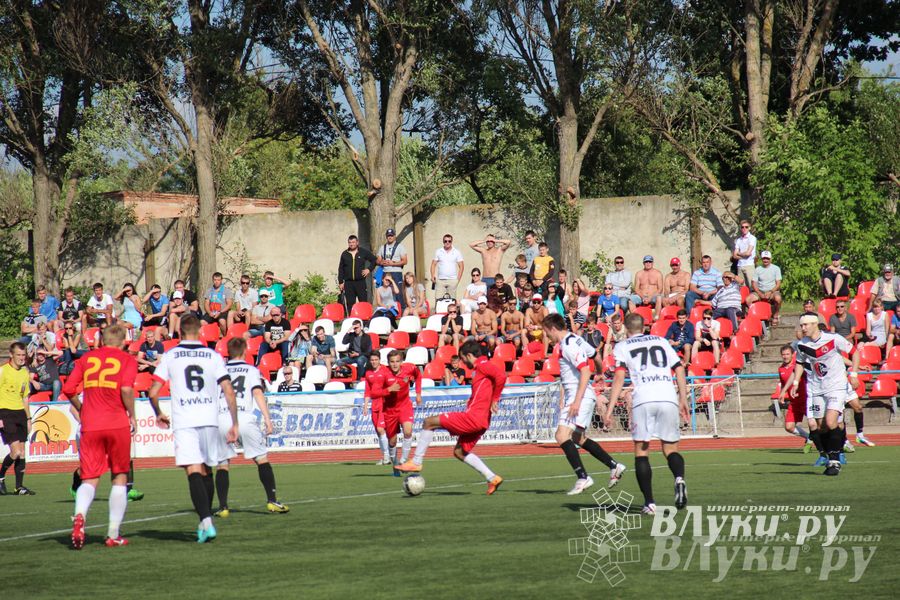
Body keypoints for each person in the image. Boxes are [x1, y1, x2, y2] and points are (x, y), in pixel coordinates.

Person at [147, 315, 239, 543]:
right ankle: (204, 520)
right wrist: (235, 422)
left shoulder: (171, 355)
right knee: (207, 469)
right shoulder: (212, 355)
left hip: (185, 420)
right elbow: (228, 389)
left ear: (179, 331)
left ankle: (206, 521)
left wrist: (158, 412)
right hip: (209, 418)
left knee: (193, 471)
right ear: (199, 331)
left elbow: (152, 391)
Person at [605, 313, 690, 514]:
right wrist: (683, 398)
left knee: (642, 451)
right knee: (671, 449)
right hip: (667, 396)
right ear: (644, 327)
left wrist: (609, 408)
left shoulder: (622, 346)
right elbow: (679, 369)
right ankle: (679, 479)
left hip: (643, 398)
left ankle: (650, 503)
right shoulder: (661, 341)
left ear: (625, 328)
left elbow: (619, 377)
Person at [62, 325, 137, 548]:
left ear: (102, 341)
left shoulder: (87, 359)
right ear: (123, 341)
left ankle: (80, 517)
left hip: (91, 424)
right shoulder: (127, 360)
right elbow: (125, 389)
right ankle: (113, 534)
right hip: (116, 423)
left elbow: (68, 388)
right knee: (119, 476)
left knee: (89, 478)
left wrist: (82, 408)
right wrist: (132, 414)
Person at [397, 341, 505, 495]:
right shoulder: (479, 368)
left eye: (462, 358)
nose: (462, 362)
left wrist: (495, 399)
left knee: (429, 422)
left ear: (469, 355)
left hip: (473, 417)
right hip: (482, 420)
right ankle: (492, 478)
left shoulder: (482, 365)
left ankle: (416, 461)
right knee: (459, 452)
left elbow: (501, 375)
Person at [541, 314, 626, 495]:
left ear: (553, 329)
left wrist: (576, 401)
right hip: (581, 394)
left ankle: (583, 477)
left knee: (561, 435)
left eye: (547, 332)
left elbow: (585, 371)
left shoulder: (568, 345)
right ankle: (614, 466)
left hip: (579, 395)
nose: (546, 336)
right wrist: (601, 372)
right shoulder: (576, 339)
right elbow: (595, 355)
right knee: (577, 438)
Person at [213, 337, 288, 518]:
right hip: (244, 416)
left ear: (228, 352)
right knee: (261, 459)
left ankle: (223, 507)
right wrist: (267, 419)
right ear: (245, 351)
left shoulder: (219, 370)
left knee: (222, 464)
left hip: (222, 417)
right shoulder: (251, 370)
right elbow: (257, 392)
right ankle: (272, 501)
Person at [792, 314, 861, 476]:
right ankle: (830, 457)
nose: (803, 328)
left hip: (836, 386)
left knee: (831, 422)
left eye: (806, 325)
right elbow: (800, 363)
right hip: (816, 388)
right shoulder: (802, 345)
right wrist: (795, 382)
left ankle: (835, 461)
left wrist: (854, 374)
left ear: (815, 324)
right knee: (820, 426)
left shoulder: (833, 338)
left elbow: (855, 353)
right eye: (801, 325)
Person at [382, 350, 422, 473]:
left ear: (401, 362)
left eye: (397, 361)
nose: (395, 364)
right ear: (388, 363)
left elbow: (419, 375)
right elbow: (375, 392)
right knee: (392, 441)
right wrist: (388, 389)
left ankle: (404, 461)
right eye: (392, 362)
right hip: (389, 410)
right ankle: (395, 463)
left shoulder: (409, 368)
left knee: (408, 431)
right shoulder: (383, 373)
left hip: (405, 406)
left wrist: (418, 393)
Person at [0, 343, 33, 495]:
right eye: (18, 355)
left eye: (23, 355)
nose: (21, 358)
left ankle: (19, 487)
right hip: (6, 413)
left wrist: (28, 418)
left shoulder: (25, 372)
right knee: (15, 452)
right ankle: (1, 476)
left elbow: (25, 397)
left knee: (23, 451)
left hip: (20, 413)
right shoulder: (3, 371)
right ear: (11, 355)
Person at [774, 344, 813, 450]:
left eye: (787, 354)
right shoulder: (781, 369)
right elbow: (783, 384)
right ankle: (809, 437)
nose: (785, 356)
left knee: (814, 424)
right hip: (794, 402)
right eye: (783, 354)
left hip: (805, 400)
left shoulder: (799, 366)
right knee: (789, 427)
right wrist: (783, 393)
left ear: (792, 355)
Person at [363, 351, 391, 464]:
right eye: (372, 360)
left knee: (381, 428)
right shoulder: (368, 373)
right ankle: (386, 455)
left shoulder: (386, 370)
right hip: (374, 404)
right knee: (378, 431)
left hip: (384, 403)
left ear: (380, 360)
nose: (374, 362)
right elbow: (367, 390)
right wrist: (365, 406)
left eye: (376, 360)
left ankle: (387, 456)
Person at [338, 235, 377, 312]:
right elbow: (341, 269)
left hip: (360, 282)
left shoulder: (363, 252)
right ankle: (352, 321)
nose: (351, 244)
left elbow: (374, 260)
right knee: (350, 304)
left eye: (353, 242)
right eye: (350, 242)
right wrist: (340, 282)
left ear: (357, 242)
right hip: (348, 283)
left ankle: (365, 321)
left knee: (363, 303)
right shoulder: (344, 254)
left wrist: (368, 269)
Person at [746, 251, 783, 324]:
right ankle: (755, 315)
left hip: (772, 291)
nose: (765, 260)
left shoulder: (776, 268)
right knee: (748, 300)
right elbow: (754, 283)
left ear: (770, 259)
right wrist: (759, 293)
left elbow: (778, 284)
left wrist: (770, 292)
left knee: (778, 299)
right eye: (764, 258)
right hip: (760, 290)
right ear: (762, 259)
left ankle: (775, 315)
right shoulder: (758, 269)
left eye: (767, 258)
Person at [376, 228, 408, 307]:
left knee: (398, 291)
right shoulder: (382, 247)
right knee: (386, 291)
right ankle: (386, 307)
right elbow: (378, 261)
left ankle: (401, 309)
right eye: (388, 236)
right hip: (386, 272)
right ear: (386, 237)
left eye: (391, 235)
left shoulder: (400, 247)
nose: (390, 237)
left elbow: (405, 261)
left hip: (396, 272)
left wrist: (393, 263)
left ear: (394, 236)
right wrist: (382, 262)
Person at [431, 234, 465, 302]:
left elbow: (461, 266)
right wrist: (432, 276)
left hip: (452, 280)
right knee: (438, 300)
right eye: (445, 241)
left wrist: (457, 280)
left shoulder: (456, 252)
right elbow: (433, 264)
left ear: (451, 242)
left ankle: (452, 313)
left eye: (449, 241)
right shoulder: (438, 251)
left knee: (452, 301)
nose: (447, 242)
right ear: (443, 242)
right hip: (440, 280)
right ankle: (439, 312)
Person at [732, 220, 757, 284]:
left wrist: (739, 253)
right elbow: (734, 255)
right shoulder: (738, 240)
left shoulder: (752, 238)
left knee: (752, 286)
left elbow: (748, 253)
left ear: (749, 228)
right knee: (741, 287)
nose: (744, 228)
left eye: (746, 227)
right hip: (740, 265)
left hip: (749, 265)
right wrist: (744, 255)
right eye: (742, 227)